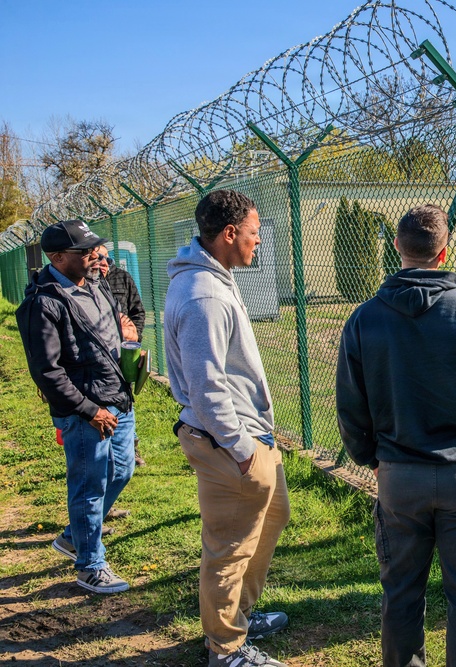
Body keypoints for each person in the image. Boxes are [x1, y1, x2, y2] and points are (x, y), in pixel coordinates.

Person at [336, 204, 456, 667]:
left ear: (396, 246)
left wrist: (372, 458)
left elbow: (350, 407)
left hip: (400, 477)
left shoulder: (364, 319)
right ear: (443, 253)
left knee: (400, 594)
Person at [164, 190, 290, 667]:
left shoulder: (215, 277)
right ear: (230, 233)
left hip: (246, 436)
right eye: (254, 233)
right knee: (230, 548)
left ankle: (238, 613)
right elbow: (207, 385)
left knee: (272, 516)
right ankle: (227, 649)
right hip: (227, 440)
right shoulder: (205, 295)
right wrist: (239, 448)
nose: (258, 242)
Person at [15, 219, 136, 594]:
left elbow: (114, 330)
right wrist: (88, 409)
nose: (93, 256)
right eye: (83, 252)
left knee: (121, 472)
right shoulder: (43, 303)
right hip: (87, 411)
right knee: (89, 486)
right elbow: (47, 372)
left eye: (93, 249)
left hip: (117, 398)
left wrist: (127, 332)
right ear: (56, 257)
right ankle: (90, 565)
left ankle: (73, 536)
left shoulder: (97, 285)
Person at [95, 244, 147, 467]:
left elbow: (138, 312)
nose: (104, 263)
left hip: (124, 351)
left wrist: (133, 340)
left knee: (125, 399)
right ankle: (105, 451)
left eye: (108, 258)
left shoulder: (122, 278)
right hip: (99, 357)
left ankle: (130, 447)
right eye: (98, 258)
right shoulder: (84, 287)